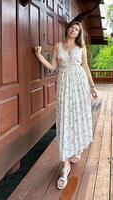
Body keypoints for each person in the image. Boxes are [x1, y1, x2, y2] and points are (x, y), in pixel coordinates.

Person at [34, 21, 98, 190]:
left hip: (80, 85)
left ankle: (77, 149)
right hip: (64, 85)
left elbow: (85, 67)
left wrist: (92, 87)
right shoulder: (57, 46)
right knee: (64, 120)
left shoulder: (81, 48)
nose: (73, 30)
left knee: (78, 117)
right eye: (71, 27)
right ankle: (65, 166)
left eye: (76, 29)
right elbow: (53, 67)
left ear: (79, 33)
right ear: (67, 29)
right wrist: (39, 55)